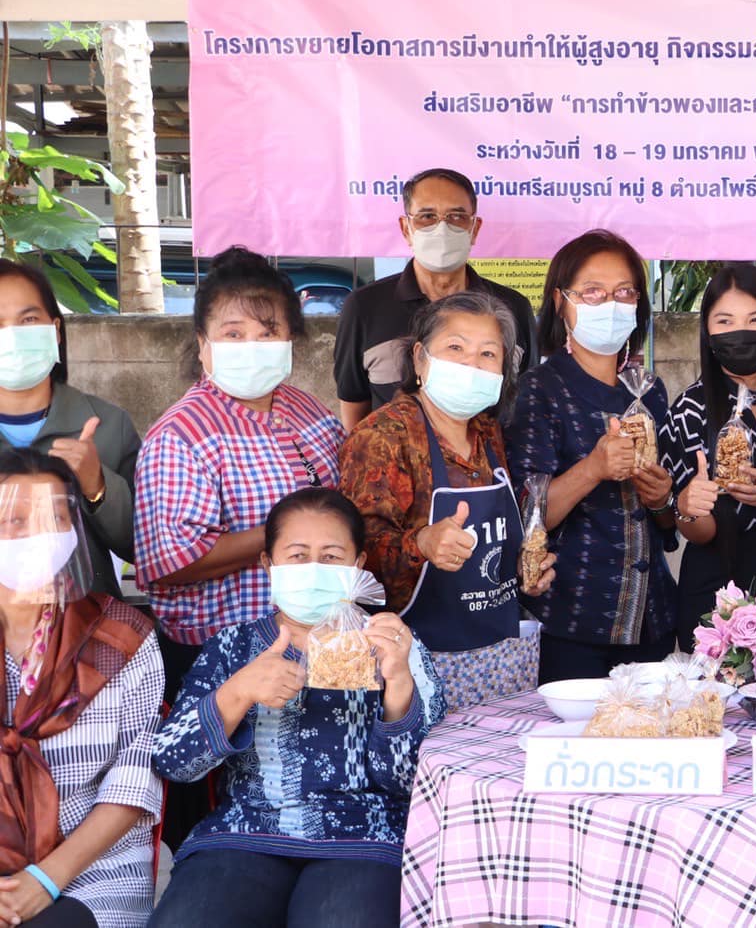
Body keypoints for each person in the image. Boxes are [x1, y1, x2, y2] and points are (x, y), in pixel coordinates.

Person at [150, 488, 444, 928]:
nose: (314, 570)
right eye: (298, 556)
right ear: (269, 565)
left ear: (358, 565)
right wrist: (239, 690)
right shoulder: (233, 646)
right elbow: (173, 762)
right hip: (244, 835)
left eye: (331, 557)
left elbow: (416, 783)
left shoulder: (395, 645)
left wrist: (398, 682)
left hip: (364, 837)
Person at [132, 247, 343, 852]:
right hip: (218, 659)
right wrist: (281, 536)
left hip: (314, 643)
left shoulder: (303, 408)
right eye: (233, 332)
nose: (253, 344)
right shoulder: (182, 435)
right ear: (203, 346)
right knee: (226, 821)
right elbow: (167, 565)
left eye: (268, 330)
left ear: (291, 339)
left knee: (306, 796)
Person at [339, 291, 554, 709]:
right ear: (420, 359)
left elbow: (495, 542)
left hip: (500, 659)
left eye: (488, 353)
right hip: (417, 663)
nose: (472, 364)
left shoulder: (488, 432)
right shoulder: (383, 436)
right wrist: (422, 543)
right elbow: (355, 560)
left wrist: (525, 568)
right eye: (455, 348)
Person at [506, 230, 679, 683]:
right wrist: (593, 469)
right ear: (561, 302)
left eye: (624, 292)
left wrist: (662, 499)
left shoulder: (650, 390)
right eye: (593, 293)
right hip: (572, 623)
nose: (611, 305)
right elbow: (526, 515)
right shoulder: (539, 390)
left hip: (652, 619)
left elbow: (668, 522)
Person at [0, 449, 163, 928]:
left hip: (95, 871)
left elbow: (134, 780)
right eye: (16, 520)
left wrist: (45, 880)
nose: (38, 536)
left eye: (54, 518)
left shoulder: (123, 638)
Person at [661, 264, 756, 646]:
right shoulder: (689, 409)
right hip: (714, 591)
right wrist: (689, 507)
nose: (741, 331)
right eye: (725, 321)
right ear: (708, 333)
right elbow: (696, 530)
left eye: (755, 319)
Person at [333, 167, 535, 428]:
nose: (442, 228)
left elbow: (526, 401)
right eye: (427, 217)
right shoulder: (364, 307)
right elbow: (354, 408)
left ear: (474, 228)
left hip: (491, 452)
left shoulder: (513, 308)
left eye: (457, 217)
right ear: (406, 228)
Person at [0, 261, 140, 598]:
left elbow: (143, 549)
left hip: (86, 621)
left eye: (28, 320)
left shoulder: (109, 425)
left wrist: (98, 487)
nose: (12, 336)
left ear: (56, 330)